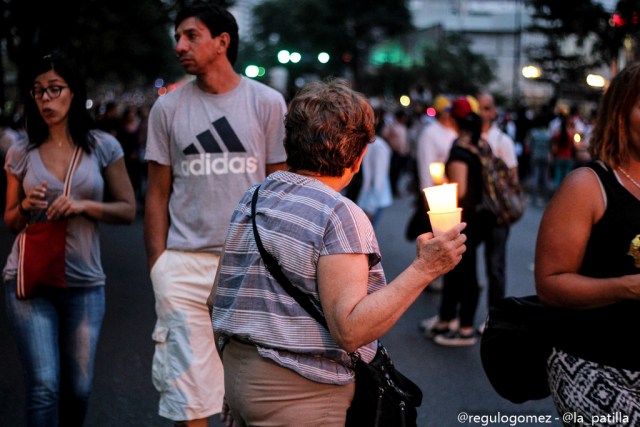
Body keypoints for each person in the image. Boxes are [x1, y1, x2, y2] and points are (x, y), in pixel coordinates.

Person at [209, 79, 466, 426]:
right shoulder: (337, 214)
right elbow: (350, 330)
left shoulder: (254, 197)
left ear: (290, 142)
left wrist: (238, 383)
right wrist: (425, 268)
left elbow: (216, 300)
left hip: (239, 375)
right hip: (300, 392)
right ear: (358, 156)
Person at [143, 4, 287, 426]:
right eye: (177, 37)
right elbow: (156, 193)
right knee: (191, 393)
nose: (180, 46)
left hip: (249, 266)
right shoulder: (167, 109)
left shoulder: (267, 103)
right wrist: (159, 266)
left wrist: (278, 263)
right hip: (184, 266)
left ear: (222, 42)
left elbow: (278, 190)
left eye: (191, 35)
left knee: (251, 388)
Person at [2, 53, 136, 426]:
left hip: (84, 283)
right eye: (38, 92)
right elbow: (10, 219)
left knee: (78, 387)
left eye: (54, 90)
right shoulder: (21, 151)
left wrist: (82, 205)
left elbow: (127, 209)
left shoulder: (103, 146)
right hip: (28, 281)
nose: (46, 99)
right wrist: (25, 206)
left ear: (73, 93)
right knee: (44, 386)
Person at [535, 62, 640, 423]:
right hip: (595, 365)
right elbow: (550, 284)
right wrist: (626, 287)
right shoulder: (587, 185)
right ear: (620, 114)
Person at [429, 97, 486, 346]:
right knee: (461, 269)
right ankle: (448, 319)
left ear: (454, 119)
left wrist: (441, 180)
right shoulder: (479, 145)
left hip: (465, 216)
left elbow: (459, 189)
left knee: (463, 270)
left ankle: (464, 328)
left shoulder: (460, 150)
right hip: (478, 214)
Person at [476, 92, 519, 327]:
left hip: (496, 216)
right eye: (479, 107)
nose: (483, 112)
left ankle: (494, 320)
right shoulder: (467, 138)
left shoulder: (503, 142)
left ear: (493, 112)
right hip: (473, 213)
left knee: (495, 268)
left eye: (487, 108)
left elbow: (514, 178)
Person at [356, 107, 393, 227]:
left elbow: (378, 180)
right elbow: (378, 180)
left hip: (371, 201)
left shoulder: (378, 146)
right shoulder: (377, 146)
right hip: (369, 201)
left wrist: (370, 208)